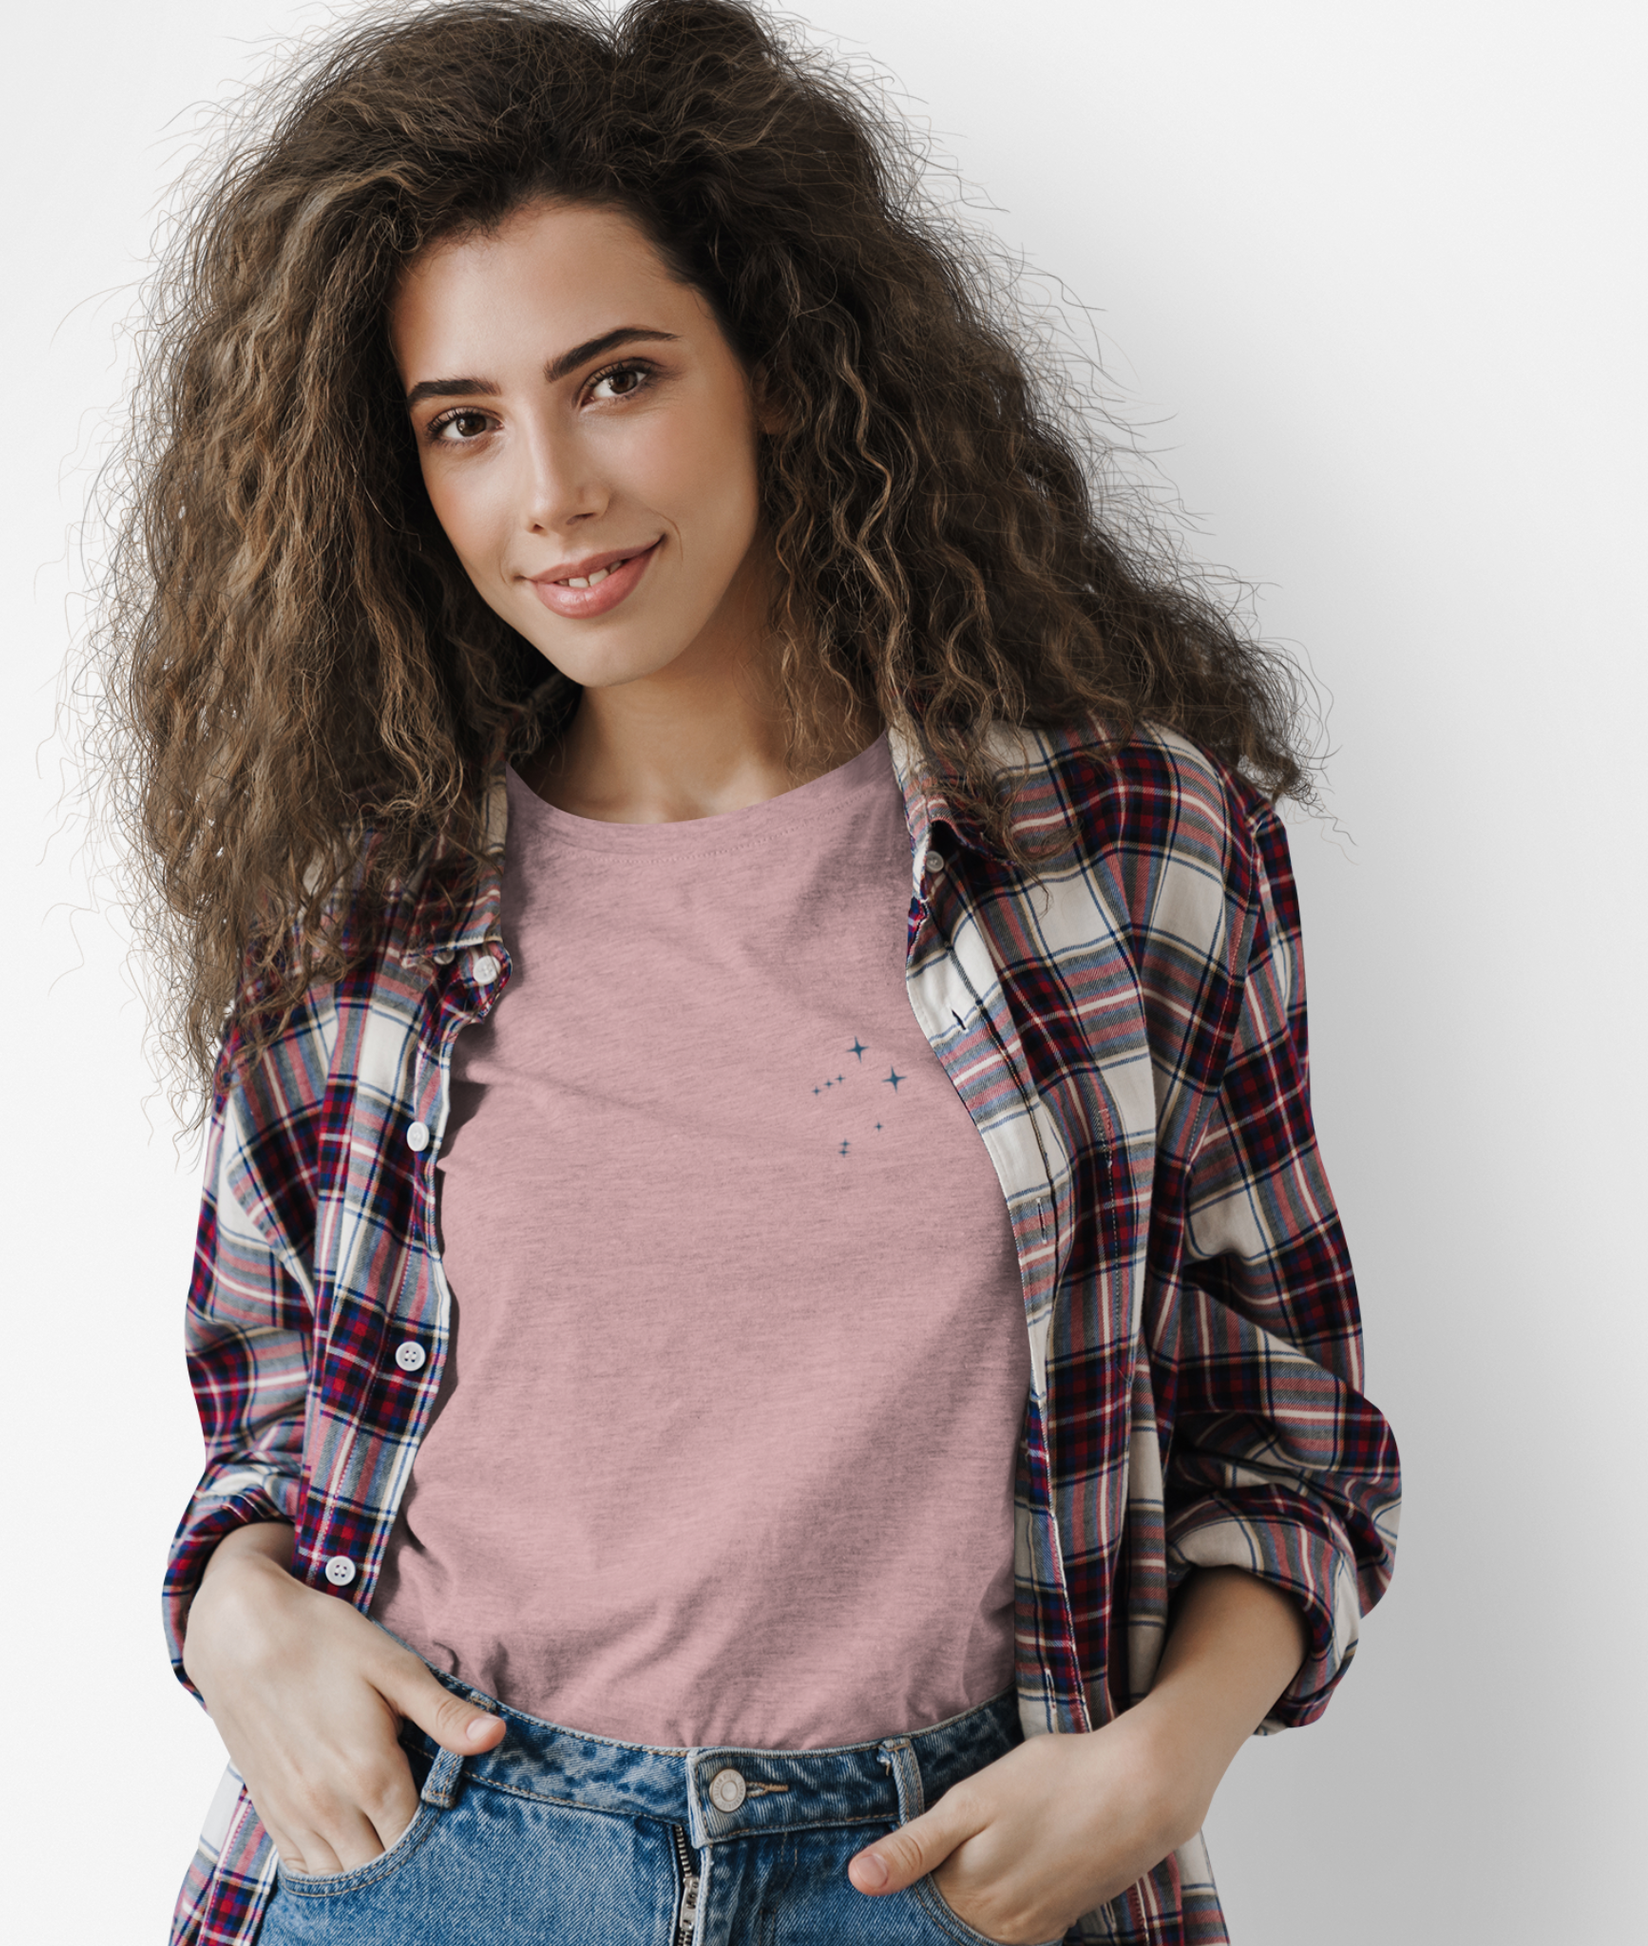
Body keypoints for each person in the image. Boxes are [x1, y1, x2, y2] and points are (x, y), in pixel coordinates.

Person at [93, 2, 1402, 1941]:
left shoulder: (1135, 859)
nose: (547, 489)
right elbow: (269, 1405)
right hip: (434, 1858)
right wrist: (229, 1614)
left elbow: (1284, 1423)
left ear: (773, 366)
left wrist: (1163, 1754)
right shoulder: (353, 918)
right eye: (462, 421)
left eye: (614, 378)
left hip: (957, 1870)